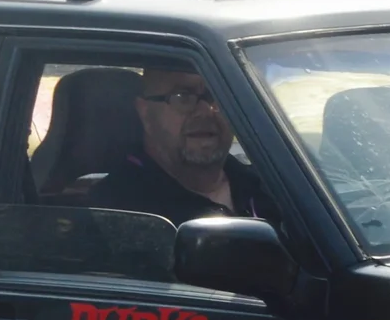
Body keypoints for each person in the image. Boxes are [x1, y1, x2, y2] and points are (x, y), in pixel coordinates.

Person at [87, 66, 274, 224]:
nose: (205, 111)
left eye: (218, 96)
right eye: (183, 96)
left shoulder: (271, 185)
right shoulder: (119, 210)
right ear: (145, 113)